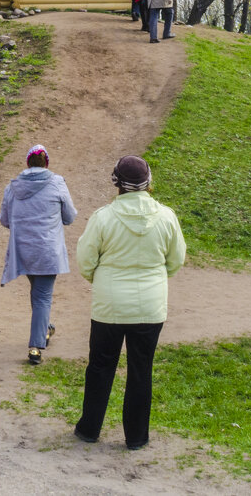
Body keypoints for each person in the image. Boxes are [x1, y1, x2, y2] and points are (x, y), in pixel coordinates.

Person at [73, 155, 185, 451]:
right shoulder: (166, 217)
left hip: (110, 305)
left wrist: (100, 278)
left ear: (117, 183)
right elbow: (176, 260)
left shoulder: (103, 217)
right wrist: (157, 278)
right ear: (149, 182)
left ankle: (89, 428)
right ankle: (136, 437)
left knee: (99, 366)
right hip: (150, 307)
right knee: (140, 370)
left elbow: (85, 260)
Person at [0, 144, 77, 365]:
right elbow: (69, 217)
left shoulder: (12, 187)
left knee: (38, 293)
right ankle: (35, 347)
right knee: (42, 297)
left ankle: (44, 329)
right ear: (47, 164)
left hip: (23, 250)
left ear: (27, 164)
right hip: (47, 251)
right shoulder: (57, 183)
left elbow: (4, 220)